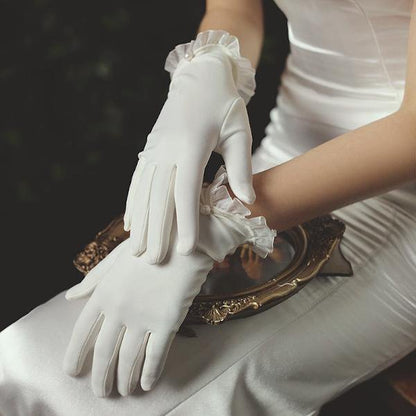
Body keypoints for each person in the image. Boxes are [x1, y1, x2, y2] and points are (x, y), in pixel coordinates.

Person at [1, 0, 415, 415]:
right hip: (276, 163)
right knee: (26, 367)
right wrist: (209, 69)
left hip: (399, 205)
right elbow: (234, 10)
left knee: (145, 401)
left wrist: (220, 220)